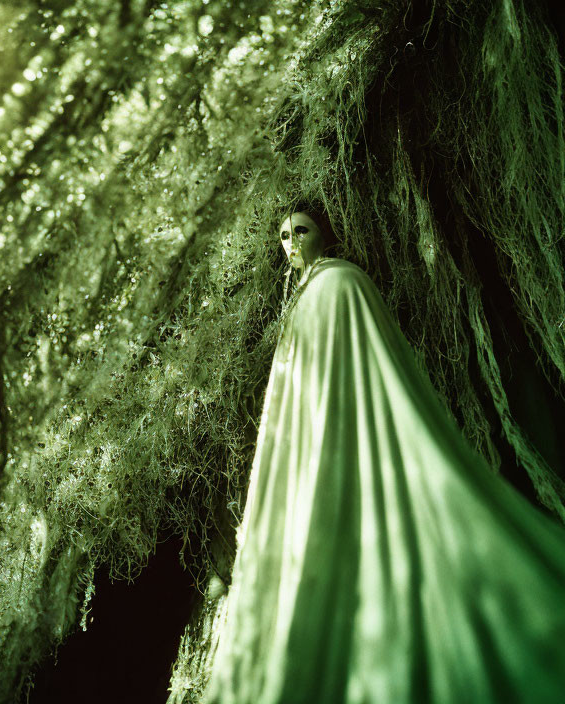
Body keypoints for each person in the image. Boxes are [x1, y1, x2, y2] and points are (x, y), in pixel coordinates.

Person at [203, 211, 565, 703]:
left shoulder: (341, 284)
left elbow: (366, 368)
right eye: (284, 236)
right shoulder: (304, 302)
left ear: (325, 233)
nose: (292, 242)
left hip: (360, 435)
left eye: (302, 230)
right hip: (314, 452)